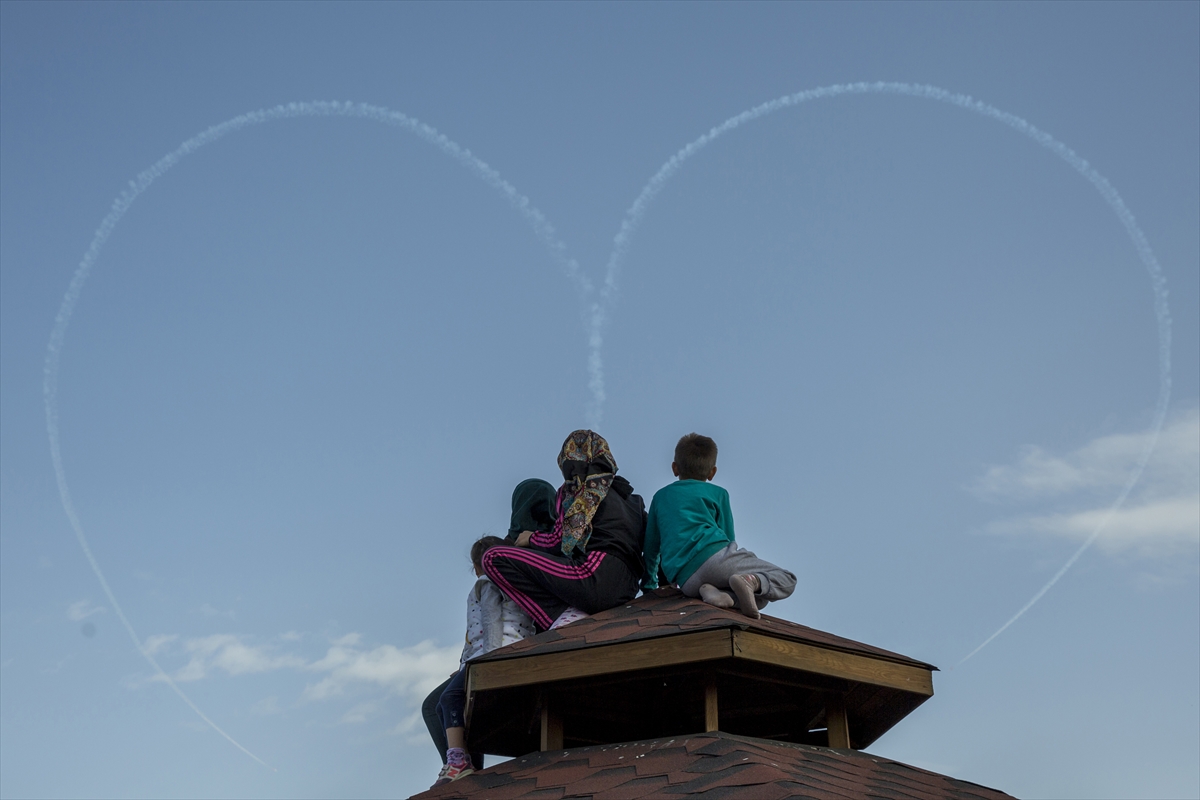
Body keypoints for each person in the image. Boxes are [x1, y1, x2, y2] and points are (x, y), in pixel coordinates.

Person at [482, 430, 647, 631]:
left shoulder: (575, 491)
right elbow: (650, 544)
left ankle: (561, 614)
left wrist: (531, 538)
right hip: (627, 590)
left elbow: (560, 542)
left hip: (593, 576)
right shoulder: (633, 499)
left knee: (492, 557)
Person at [642, 433, 796, 619]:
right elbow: (729, 538)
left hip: (687, 581)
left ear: (675, 468)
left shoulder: (660, 497)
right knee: (786, 579)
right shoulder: (719, 493)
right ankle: (749, 580)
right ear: (712, 472)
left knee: (759, 598)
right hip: (716, 559)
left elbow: (650, 548)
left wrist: (649, 586)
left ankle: (721, 596)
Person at [429, 535, 537, 787]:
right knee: (441, 707)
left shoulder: (487, 583)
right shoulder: (519, 583)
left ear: (480, 564)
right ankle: (466, 764)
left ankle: (459, 762)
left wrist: (489, 661)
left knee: (447, 700)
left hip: (491, 655)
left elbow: (490, 621)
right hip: (502, 652)